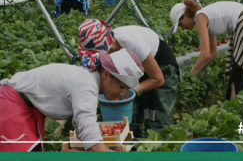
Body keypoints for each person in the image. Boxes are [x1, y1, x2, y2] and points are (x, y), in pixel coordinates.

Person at [0, 48, 144, 151]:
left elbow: (83, 128)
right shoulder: (87, 86)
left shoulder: (87, 78)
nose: (122, 93)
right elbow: (90, 136)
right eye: (121, 86)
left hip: (22, 106)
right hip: (11, 107)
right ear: (106, 74)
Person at [78, 19, 179, 136]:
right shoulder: (104, 54)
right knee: (133, 111)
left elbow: (158, 79)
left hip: (160, 64)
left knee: (159, 112)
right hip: (133, 68)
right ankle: (135, 145)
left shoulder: (134, 44)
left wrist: (132, 90)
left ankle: (157, 145)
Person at [169, 0, 243, 100]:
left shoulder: (200, 18)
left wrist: (191, 75)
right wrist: (195, 73)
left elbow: (205, 54)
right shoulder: (205, 17)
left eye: (180, 24)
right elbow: (212, 53)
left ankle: (233, 112)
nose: (182, 28)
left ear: (185, 15)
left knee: (236, 78)